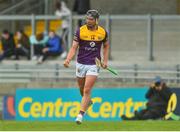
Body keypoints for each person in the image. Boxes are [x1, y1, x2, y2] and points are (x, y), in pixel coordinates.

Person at [63, 10, 109, 124]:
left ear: (96, 20)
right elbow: (74, 47)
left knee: (87, 90)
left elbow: (106, 47)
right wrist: (68, 59)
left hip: (94, 64)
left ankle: (80, 115)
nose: (88, 21)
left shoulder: (103, 32)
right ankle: (87, 102)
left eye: (91, 19)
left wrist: (105, 61)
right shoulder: (80, 31)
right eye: (87, 19)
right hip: (81, 63)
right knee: (82, 89)